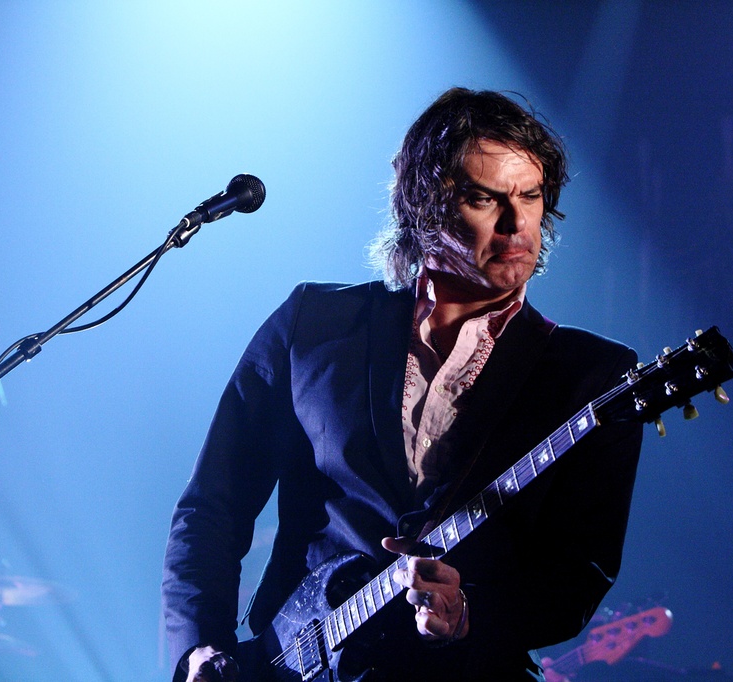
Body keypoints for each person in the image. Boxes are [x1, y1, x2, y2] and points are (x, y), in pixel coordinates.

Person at [161, 87, 644, 681]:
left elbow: (580, 570)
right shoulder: (313, 324)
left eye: (531, 196)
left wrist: (470, 613)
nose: (518, 223)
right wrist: (199, 646)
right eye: (483, 198)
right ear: (424, 206)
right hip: (293, 663)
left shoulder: (588, 377)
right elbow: (215, 504)